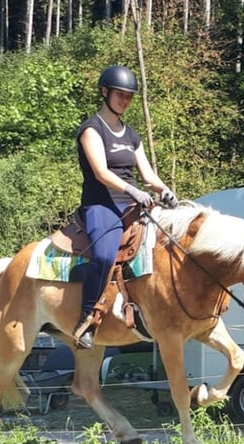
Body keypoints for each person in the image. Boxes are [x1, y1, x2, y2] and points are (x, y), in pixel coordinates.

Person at [72, 64, 178, 350]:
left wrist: (163, 190)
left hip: (133, 203)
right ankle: (87, 320)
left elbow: (147, 174)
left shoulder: (131, 135)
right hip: (101, 204)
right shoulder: (91, 129)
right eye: (120, 94)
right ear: (104, 92)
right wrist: (133, 191)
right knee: (105, 257)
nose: (125, 100)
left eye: (129, 96)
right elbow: (101, 173)